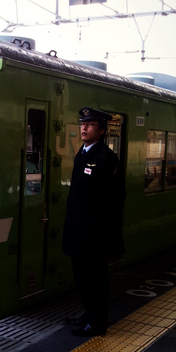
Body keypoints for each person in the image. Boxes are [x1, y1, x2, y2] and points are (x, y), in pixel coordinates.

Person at [62, 107, 125, 337]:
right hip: (79, 231)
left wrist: (106, 233)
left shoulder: (106, 158)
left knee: (96, 279)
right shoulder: (83, 152)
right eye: (82, 124)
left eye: (89, 125)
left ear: (101, 130)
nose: (84, 128)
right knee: (82, 277)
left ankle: (98, 323)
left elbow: (114, 199)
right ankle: (88, 314)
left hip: (94, 233)